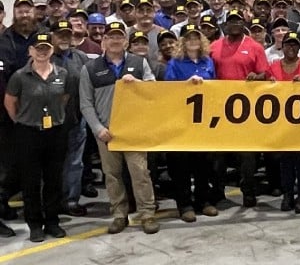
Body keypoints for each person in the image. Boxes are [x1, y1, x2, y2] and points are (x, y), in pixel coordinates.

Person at [79, 22, 160, 234]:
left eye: (119, 36)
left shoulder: (139, 62)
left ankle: (147, 214)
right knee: (112, 175)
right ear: (103, 40)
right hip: (107, 132)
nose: (115, 40)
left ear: (126, 41)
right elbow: (85, 103)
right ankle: (118, 214)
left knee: (140, 172)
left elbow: (154, 91)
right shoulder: (90, 68)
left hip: (134, 130)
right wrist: (98, 129)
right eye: (110, 36)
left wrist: (138, 83)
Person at [3, 33, 69, 242]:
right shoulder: (20, 76)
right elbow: (10, 102)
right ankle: (35, 224)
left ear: (51, 50)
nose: (42, 52)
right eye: (38, 48)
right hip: (28, 132)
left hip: (55, 132)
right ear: (30, 51)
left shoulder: (63, 74)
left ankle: (52, 221)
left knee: (53, 179)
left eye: (46, 48)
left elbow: (64, 98)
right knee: (30, 181)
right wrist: (23, 120)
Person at [209, 10, 271, 207]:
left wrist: (256, 77)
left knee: (248, 155)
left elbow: (266, 75)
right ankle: (217, 191)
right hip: (219, 108)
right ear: (225, 25)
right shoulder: (214, 46)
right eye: (230, 21)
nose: (234, 24)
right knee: (218, 154)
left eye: (237, 20)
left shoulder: (255, 47)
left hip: (247, 109)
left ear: (243, 23)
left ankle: (249, 192)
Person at [162, 24, 219, 222]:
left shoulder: (208, 61)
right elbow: (169, 91)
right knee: (182, 165)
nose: (193, 41)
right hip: (181, 121)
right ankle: (184, 203)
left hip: (203, 121)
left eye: (196, 37)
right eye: (189, 38)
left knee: (203, 163)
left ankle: (204, 201)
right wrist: (187, 85)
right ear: (183, 41)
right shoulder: (175, 63)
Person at [270, 32, 300, 214]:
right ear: (283, 47)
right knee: (286, 161)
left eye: (294, 45)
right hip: (281, 121)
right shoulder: (274, 66)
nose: (291, 48)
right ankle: (287, 194)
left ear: (299, 47)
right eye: (288, 44)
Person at [50, 21, 88, 217]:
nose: (64, 38)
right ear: (52, 36)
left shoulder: (80, 57)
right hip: (50, 123)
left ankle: (71, 200)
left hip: (76, 120)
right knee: (51, 163)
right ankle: (51, 200)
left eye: (68, 34)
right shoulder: (44, 57)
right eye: (60, 34)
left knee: (75, 162)